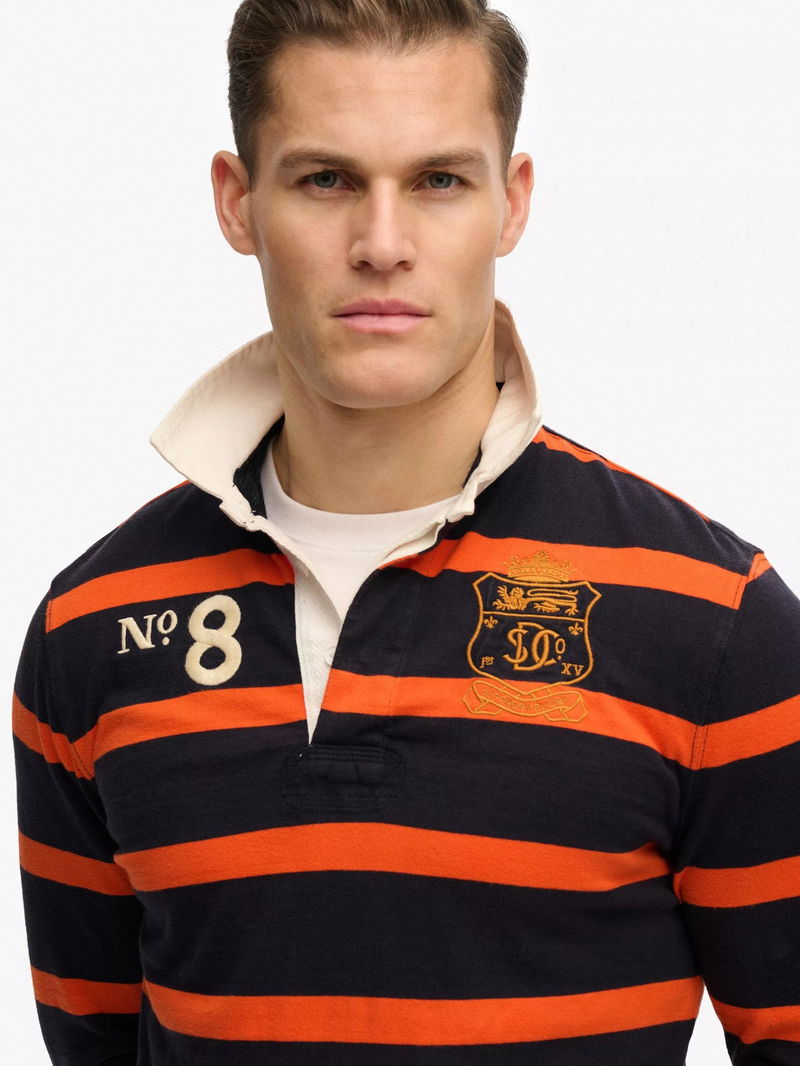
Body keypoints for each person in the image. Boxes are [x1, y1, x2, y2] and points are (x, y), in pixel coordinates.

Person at [11, 0, 800, 1063]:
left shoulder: (713, 622)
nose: (382, 246)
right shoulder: (92, 627)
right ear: (238, 202)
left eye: (437, 181)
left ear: (511, 202)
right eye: (324, 179)